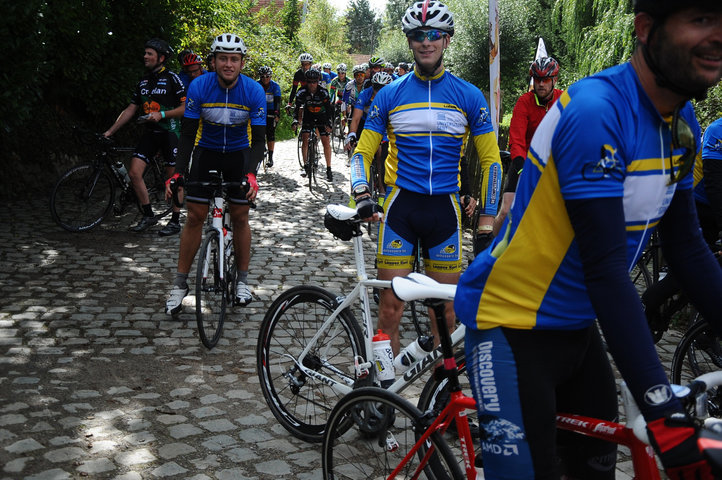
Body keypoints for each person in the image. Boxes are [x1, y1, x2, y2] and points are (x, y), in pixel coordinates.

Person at [455, 1, 722, 478]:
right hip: (510, 322)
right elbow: (605, 270)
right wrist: (662, 411)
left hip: (577, 329)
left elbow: (688, 250)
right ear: (645, 28)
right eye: (701, 18)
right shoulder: (598, 112)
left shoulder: (682, 124)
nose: (717, 34)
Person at [351, 0, 502, 354]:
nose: (426, 42)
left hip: (444, 214)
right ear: (409, 41)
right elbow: (362, 152)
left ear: (446, 39)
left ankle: (437, 401)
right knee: (390, 310)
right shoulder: (389, 95)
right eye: (418, 35)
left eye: (434, 34)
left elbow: (492, 162)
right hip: (400, 211)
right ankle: (382, 398)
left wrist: (486, 220)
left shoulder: (469, 96)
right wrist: (361, 193)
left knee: (446, 316)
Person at [164, 33, 265, 315]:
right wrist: (178, 173)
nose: (228, 64)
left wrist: (251, 174)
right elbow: (186, 135)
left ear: (242, 63)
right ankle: (180, 285)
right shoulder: (199, 86)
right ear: (214, 61)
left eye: (234, 59)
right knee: (195, 216)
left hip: (238, 155)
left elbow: (258, 141)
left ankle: (242, 281)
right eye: (223, 58)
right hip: (206, 151)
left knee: (241, 215)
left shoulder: (254, 91)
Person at [103, 38, 186, 235]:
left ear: (162, 57)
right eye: (145, 53)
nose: (145, 56)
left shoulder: (172, 78)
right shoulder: (143, 81)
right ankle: (148, 215)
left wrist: (163, 114)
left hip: (170, 132)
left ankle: (175, 220)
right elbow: (131, 109)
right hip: (150, 133)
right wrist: (110, 131)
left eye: (150, 53)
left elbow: (185, 108)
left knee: (174, 178)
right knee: (134, 173)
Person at [490, 56, 564, 249]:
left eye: (545, 80)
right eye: (537, 79)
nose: (540, 84)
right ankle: (491, 250)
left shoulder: (563, 101)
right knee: (507, 210)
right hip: (523, 162)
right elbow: (516, 139)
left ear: (554, 80)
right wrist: (523, 169)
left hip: (552, 164)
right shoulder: (525, 102)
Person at [292, 69, 334, 181]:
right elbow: (297, 108)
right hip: (308, 115)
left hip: (322, 115)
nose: (312, 84)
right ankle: (305, 165)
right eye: (309, 82)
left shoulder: (323, 92)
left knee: (326, 141)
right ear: (306, 82)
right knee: (305, 138)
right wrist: (295, 120)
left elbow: (329, 109)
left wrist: (329, 122)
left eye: (314, 82)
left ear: (318, 81)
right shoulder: (301, 92)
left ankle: (329, 168)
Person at [258, 66, 281, 168]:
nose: (265, 78)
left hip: (271, 110)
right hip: (259, 110)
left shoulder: (275, 86)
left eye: (267, 76)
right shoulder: (257, 85)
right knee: (258, 132)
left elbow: (277, 101)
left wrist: (277, 114)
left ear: (270, 77)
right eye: (262, 76)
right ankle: (261, 148)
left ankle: (270, 158)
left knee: (270, 133)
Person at [328, 64, 350, 131]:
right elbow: (332, 93)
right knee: (332, 107)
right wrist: (331, 102)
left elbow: (352, 93)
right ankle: (332, 123)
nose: (340, 75)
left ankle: (346, 122)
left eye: (342, 73)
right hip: (339, 97)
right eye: (339, 73)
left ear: (345, 73)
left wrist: (349, 103)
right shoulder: (334, 81)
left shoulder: (349, 81)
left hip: (348, 97)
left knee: (348, 109)